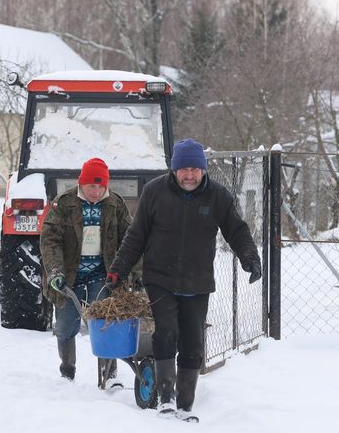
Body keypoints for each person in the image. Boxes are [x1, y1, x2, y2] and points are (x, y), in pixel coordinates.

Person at [106, 138, 261, 422]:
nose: (189, 174)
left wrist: (250, 258)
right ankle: (166, 399)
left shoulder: (218, 196)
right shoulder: (154, 192)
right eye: (183, 169)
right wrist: (118, 269)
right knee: (165, 332)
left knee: (192, 343)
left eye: (195, 169)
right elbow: (136, 235)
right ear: (174, 170)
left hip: (198, 281)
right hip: (160, 277)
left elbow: (237, 231)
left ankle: (185, 406)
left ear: (203, 170)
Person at [40, 157, 134, 383]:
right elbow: (50, 240)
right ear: (81, 183)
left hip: (101, 274)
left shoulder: (115, 205)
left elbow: (129, 239)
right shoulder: (64, 204)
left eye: (101, 186)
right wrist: (55, 272)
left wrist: (126, 273)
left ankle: (109, 373)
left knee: (105, 323)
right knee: (65, 326)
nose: (96, 191)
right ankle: (67, 370)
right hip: (68, 275)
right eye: (92, 185)